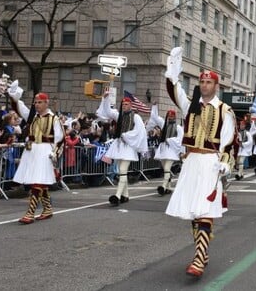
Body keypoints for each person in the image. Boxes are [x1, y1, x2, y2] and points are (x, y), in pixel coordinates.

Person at [164, 46, 236, 278]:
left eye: (209, 82)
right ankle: (202, 253)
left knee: (205, 211)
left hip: (210, 164)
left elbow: (229, 142)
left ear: (216, 86)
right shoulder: (191, 105)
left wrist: (225, 163)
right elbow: (174, 90)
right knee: (195, 212)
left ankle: (198, 259)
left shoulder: (226, 111)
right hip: (192, 161)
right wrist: (173, 67)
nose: (204, 85)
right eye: (202, 82)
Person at [7, 82, 65, 224]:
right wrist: (14, 96)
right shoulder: (33, 116)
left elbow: (61, 138)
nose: (37, 105)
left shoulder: (54, 119)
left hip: (45, 151)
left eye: (40, 102)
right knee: (39, 181)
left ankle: (30, 212)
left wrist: (55, 153)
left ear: (46, 103)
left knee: (38, 182)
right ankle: (47, 209)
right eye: (36, 102)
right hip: (32, 150)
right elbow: (19, 108)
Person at [96, 93, 148, 206]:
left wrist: (126, 136)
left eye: (126, 104)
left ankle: (117, 196)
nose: (124, 106)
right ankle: (126, 195)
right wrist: (105, 99)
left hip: (129, 146)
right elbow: (108, 112)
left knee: (123, 170)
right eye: (123, 104)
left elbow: (140, 132)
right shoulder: (119, 115)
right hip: (119, 146)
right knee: (120, 171)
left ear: (130, 105)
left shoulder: (136, 117)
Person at [148, 105, 184, 196]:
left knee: (167, 168)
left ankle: (163, 186)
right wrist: (155, 106)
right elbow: (155, 117)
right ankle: (168, 187)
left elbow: (180, 140)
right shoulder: (164, 124)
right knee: (165, 169)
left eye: (172, 116)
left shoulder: (178, 127)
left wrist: (169, 140)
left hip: (171, 151)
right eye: (169, 116)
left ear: (175, 117)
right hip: (164, 150)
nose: (170, 118)